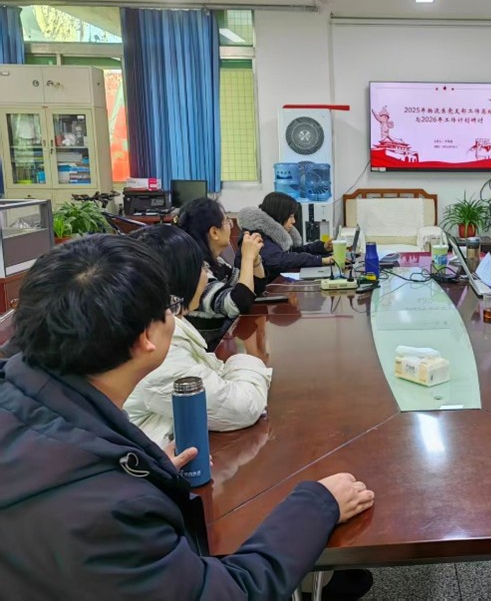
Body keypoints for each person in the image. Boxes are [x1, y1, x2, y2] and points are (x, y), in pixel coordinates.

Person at [0, 235, 375, 599]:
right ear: (146, 338)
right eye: (169, 307)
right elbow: (230, 592)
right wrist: (317, 505)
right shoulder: (110, 511)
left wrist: (146, 466)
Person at [123, 225, 272, 449]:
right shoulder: (154, 349)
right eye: (202, 267)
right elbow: (242, 407)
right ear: (181, 278)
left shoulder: (164, 324)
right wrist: (248, 360)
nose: (206, 274)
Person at [177, 196, 267, 347]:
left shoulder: (217, 264)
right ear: (214, 232)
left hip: (217, 343)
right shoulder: (196, 271)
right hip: (202, 350)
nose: (230, 226)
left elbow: (255, 288)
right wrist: (247, 258)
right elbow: (238, 304)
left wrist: (255, 259)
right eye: (227, 221)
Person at [237, 192, 334, 284]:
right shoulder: (256, 236)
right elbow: (280, 259)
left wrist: (322, 247)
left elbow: (292, 252)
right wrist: (320, 260)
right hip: (261, 292)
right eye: (290, 216)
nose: (293, 221)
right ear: (279, 215)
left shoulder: (271, 234)